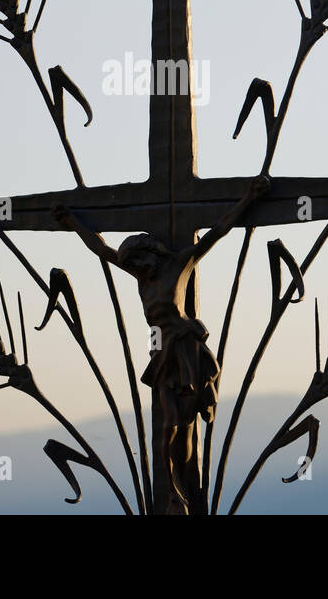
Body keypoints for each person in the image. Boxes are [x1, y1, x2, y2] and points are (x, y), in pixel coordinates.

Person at [51, 174, 270, 513]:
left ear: (149, 254)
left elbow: (217, 231)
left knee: (180, 424)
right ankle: (171, 493)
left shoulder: (178, 265)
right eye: (133, 267)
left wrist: (249, 199)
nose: (137, 270)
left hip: (184, 349)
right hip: (162, 351)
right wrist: (72, 222)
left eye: (138, 263)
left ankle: (183, 491)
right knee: (166, 426)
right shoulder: (142, 277)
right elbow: (101, 249)